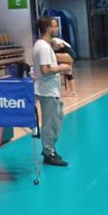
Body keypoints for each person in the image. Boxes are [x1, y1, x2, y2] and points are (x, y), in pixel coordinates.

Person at [33, 16, 73, 167]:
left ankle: (51, 149)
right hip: (47, 91)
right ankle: (48, 153)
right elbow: (45, 70)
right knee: (50, 123)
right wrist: (61, 68)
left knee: (57, 119)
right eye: (55, 25)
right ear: (49, 28)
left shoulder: (44, 45)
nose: (57, 28)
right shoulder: (43, 47)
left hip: (51, 90)